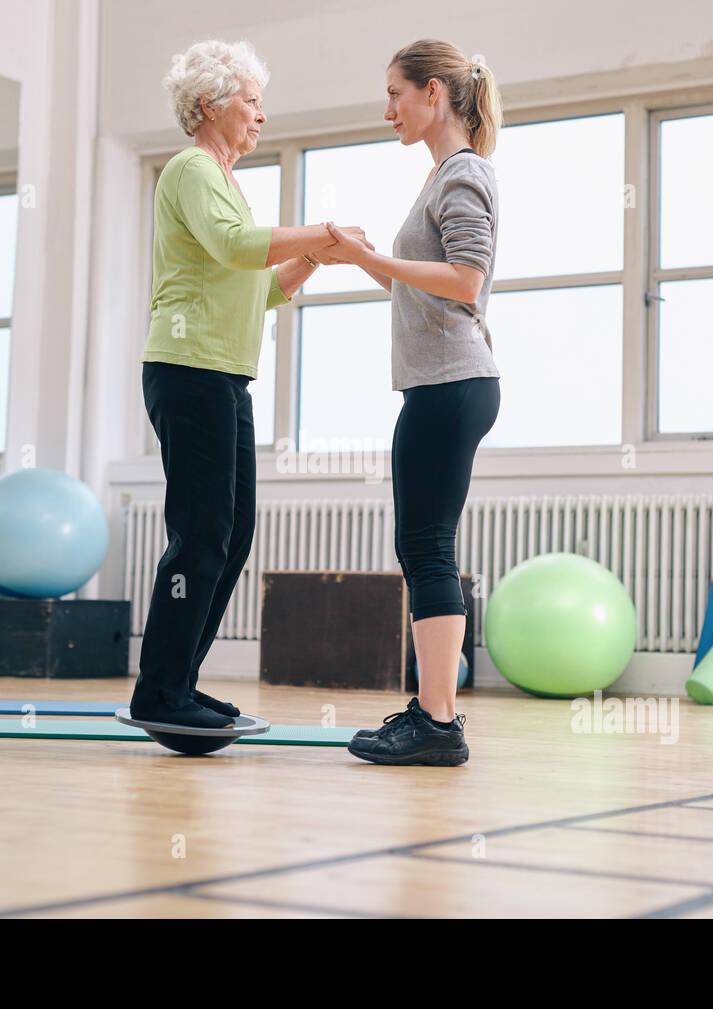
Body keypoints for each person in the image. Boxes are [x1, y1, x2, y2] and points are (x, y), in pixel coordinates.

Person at [133, 40, 370, 728]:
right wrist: (320, 231)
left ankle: (179, 682)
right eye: (251, 100)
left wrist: (316, 259)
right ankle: (160, 693)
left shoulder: (227, 183)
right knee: (200, 535)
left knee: (230, 537)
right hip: (188, 370)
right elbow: (239, 247)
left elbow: (258, 289)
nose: (262, 115)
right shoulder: (191, 168)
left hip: (223, 377)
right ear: (209, 105)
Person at [317, 39, 503, 765]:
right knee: (421, 546)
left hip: (452, 383)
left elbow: (465, 279)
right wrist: (362, 262)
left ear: (433, 94)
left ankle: (437, 720)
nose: (387, 108)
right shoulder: (443, 177)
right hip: (442, 383)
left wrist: (371, 257)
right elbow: (422, 284)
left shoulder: (462, 175)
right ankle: (435, 712)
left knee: (427, 549)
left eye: (395, 92)